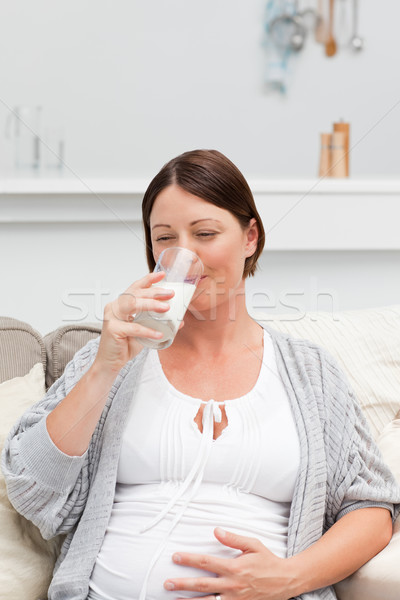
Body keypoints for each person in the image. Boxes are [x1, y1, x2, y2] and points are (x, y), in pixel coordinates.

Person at [2, 149, 400, 600]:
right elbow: (32, 488)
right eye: (165, 238)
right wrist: (104, 369)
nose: (184, 254)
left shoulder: (311, 372)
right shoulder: (111, 356)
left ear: (250, 237)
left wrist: (292, 577)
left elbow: (370, 509)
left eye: (206, 233)